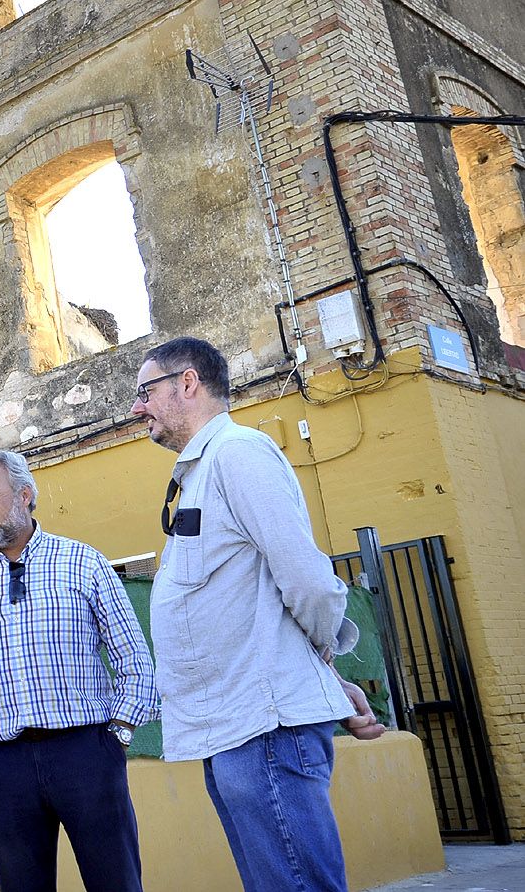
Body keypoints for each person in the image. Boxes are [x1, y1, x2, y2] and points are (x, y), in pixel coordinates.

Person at [130, 337, 384, 892]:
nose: (136, 407)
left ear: (188, 383)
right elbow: (252, 608)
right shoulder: (199, 471)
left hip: (262, 731)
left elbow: (310, 583)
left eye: (146, 390)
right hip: (237, 730)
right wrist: (332, 679)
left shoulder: (238, 454)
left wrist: (319, 659)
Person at [0, 449, 157, 892]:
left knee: (117, 884)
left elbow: (134, 660)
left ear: (25, 495)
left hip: (87, 754)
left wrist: (117, 737)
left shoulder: (83, 562)